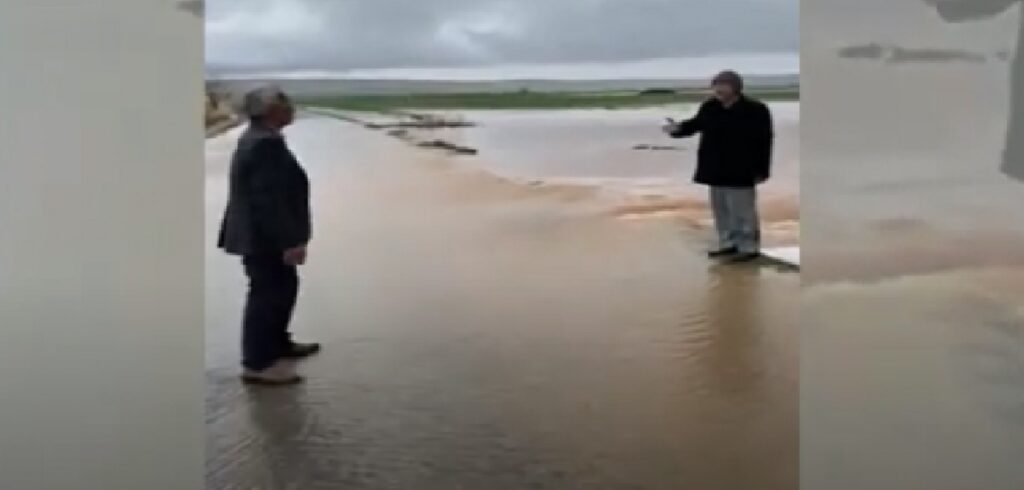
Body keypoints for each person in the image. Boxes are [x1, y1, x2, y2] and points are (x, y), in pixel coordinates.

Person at [218, 86, 320, 385]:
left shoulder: (261, 138)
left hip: (261, 234)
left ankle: (277, 345)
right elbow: (269, 201)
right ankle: (258, 363)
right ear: (270, 111)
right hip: (265, 237)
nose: (292, 108)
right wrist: (290, 241)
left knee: (282, 289)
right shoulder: (264, 145)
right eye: (285, 104)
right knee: (267, 294)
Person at [663, 70, 774, 263]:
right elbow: (695, 125)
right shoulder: (710, 107)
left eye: (724, 85)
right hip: (715, 168)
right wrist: (676, 129)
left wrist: (762, 170)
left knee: (743, 211)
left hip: (743, 169)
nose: (718, 89)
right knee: (721, 210)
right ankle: (728, 244)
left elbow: (765, 141)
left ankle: (748, 247)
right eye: (716, 85)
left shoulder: (756, 109)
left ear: (736, 88)